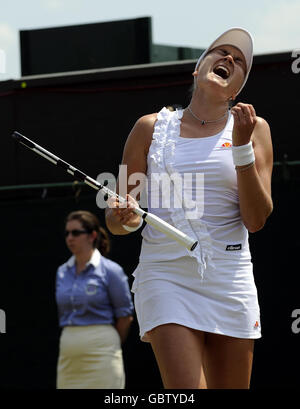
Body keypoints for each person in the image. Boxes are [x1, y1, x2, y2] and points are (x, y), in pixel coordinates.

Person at [105, 27, 273, 389]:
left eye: (239, 60)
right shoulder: (148, 128)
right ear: (198, 69)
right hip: (166, 276)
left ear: (238, 86)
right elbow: (117, 221)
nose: (229, 59)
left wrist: (242, 147)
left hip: (230, 278)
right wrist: (125, 215)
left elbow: (255, 220)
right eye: (221, 52)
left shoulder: (255, 130)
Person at [56, 210, 134, 389]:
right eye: (67, 233)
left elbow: (125, 316)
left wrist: (106, 344)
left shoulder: (111, 270)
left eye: (76, 233)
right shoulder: (61, 272)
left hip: (102, 353)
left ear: (92, 235)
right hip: (68, 357)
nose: (70, 238)